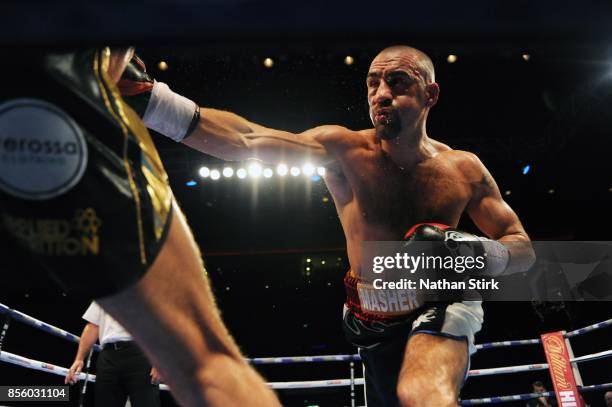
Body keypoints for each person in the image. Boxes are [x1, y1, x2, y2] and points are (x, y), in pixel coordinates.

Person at [122, 44, 536, 406]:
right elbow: (247, 140)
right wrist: (153, 102)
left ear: (431, 94)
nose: (381, 95)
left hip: (442, 300)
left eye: (397, 82)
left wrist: (479, 253)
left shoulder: (463, 169)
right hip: (371, 318)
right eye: (373, 84)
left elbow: (521, 246)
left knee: (423, 396)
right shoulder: (344, 150)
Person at [0, 48, 281, 407]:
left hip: (50, 142)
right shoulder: (107, 54)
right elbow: (232, 140)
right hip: (77, 152)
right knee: (207, 363)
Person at [65, 302, 162, 407]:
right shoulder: (104, 292)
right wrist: (79, 359)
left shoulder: (150, 290)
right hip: (108, 357)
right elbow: (92, 326)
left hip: (142, 354)